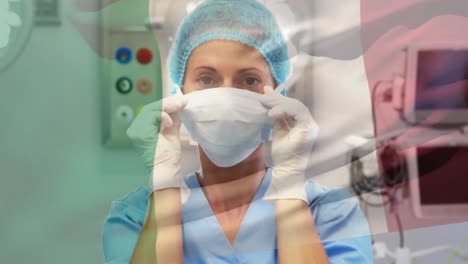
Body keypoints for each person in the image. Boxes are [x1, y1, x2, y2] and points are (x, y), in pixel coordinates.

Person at [102, 0, 373, 263]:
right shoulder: (134, 217)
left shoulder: (331, 212)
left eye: (249, 80)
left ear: (279, 94)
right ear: (179, 93)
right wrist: (164, 191)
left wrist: (290, 187)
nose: (228, 95)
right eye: (207, 79)